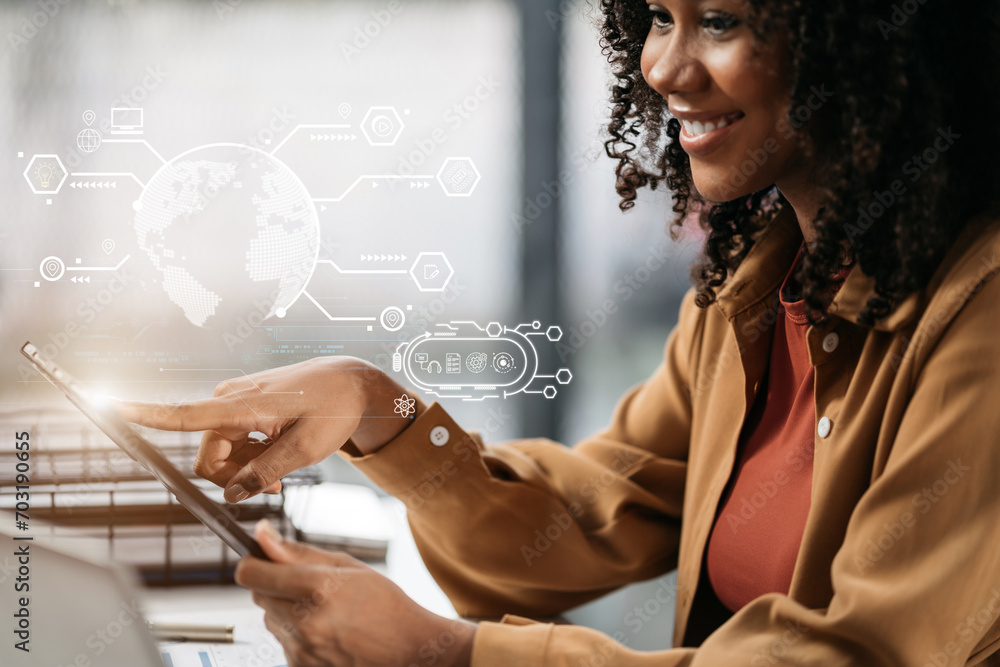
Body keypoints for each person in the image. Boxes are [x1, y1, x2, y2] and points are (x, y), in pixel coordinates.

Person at [120, 0, 1000, 665]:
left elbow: (861, 655)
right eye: (659, 16)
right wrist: (371, 404)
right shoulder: (755, 289)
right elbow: (584, 517)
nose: (663, 65)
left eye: (721, 20)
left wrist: (449, 652)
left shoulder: (982, 316)